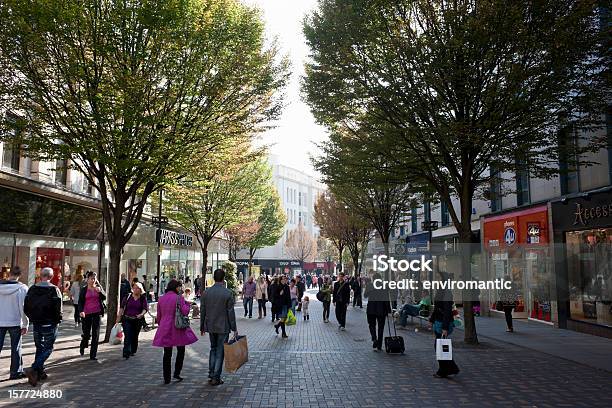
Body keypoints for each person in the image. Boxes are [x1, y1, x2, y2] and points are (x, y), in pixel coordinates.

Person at [23, 267, 62, 386]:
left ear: (41, 276)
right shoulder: (54, 290)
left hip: (37, 323)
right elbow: (58, 308)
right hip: (50, 323)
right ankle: (34, 368)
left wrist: (32, 318)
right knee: (48, 348)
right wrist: (57, 320)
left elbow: (26, 306)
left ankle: (39, 373)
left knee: (39, 347)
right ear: (51, 277)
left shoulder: (32, 289)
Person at [153, 279, 198, 384]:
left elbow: (159, 316)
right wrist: (188, 304)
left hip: (165, 326)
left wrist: (161, 324)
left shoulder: (162, 298)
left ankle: (166, 378)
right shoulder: (179, 298)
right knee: (181, 350)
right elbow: (185, 311)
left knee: (167, 353)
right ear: (176, 287)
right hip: (177, 327)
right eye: (179, 287)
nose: (181, 289)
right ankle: (177, 373)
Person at [200, 269, 237, 386]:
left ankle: (211, 373)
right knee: (220, 351)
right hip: (223, 326)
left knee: (213, 348)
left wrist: (202, 326)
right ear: (223, 278)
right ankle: (216, 376)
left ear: (214, 278)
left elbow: (203, 310)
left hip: (210, 325)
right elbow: (230, 313)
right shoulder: (227, 293)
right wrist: (234, 328)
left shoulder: (206, 293)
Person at [0, 266, 29, 380]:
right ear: (19, 275)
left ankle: (16, 371)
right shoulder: (22, 288)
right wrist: (25, 324)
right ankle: (15, 372)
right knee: (15, 347)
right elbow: (23, 308)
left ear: (9, 274)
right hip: (15, 322)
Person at [429, 282, 459, 378]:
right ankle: (450, 368)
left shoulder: (446, 294)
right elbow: (437, 308)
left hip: (443, 324)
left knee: (439, 347)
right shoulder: (440, 292)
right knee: (440, 347)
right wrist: (431, 319)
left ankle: (444, 370)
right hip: (439, 323)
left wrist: (445, 328)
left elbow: (447, 312)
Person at [78, 271, 106, 360]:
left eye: (94, 278)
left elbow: (104, 297)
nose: (93, 280)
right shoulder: (84, 289)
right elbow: (80, 302)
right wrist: (81, 311)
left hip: (97, 313)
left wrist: (100, 291)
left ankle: (93, 355)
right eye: (91, 278)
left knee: (96, 334)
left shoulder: (98, 288)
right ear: (87, 279)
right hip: (86, 314)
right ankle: (83, 345)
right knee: (86, 334)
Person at [118, 282, 148, 359]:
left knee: (134, 336)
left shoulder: (142, 298)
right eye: (134, 288)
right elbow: (122, 307)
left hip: (137, 320)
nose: (135, 290)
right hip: (127, 319)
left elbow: (145, 308)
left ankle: (133, 350)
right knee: (128, 335)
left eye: (137, 288)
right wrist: (118, 318)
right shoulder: (127, 297)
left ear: (141, 290)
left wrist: (141, 314)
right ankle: (126, 352)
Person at [364, 272, 391, 351]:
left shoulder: (370, 285)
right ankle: (379, 345)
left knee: (371, 325)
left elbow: (365, 295)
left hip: (371, 309)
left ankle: (374, 339)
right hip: (382, 309)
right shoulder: (384, 286)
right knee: (381, 327)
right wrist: (388, 310)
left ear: (373, 279)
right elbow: (387, 298)